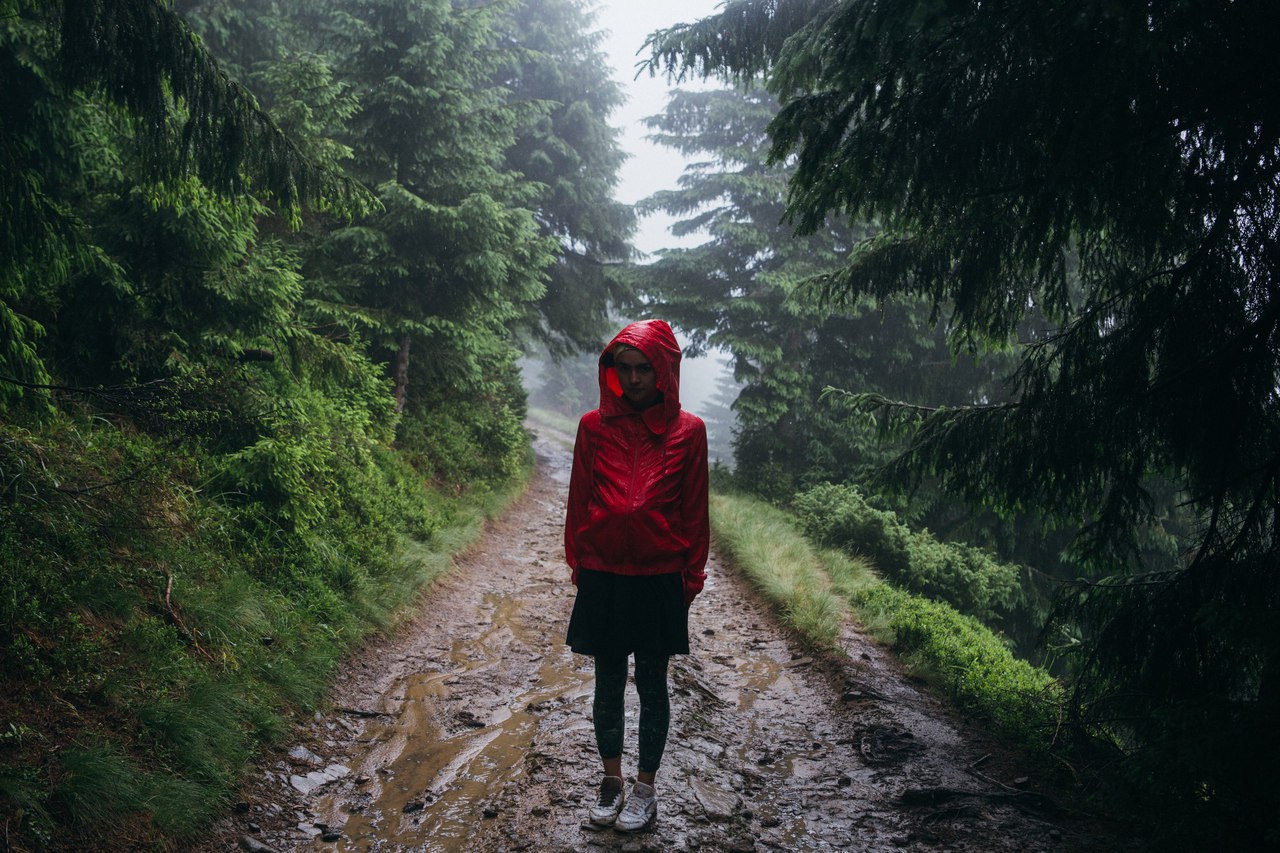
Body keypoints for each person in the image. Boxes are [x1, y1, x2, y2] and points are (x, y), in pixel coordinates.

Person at [563, 319, 709, 832]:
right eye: (623, 369)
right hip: (604, 573)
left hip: (659, 577)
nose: (633, 379)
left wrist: (689, 580)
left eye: (644, 368)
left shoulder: (689, 432)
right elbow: (578, 499)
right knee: (606, 685)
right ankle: (611, 780)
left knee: (652, 684)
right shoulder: (592, 427)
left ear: (664, 369)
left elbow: (695, 512)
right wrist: (580, 563)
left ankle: (645, 790)